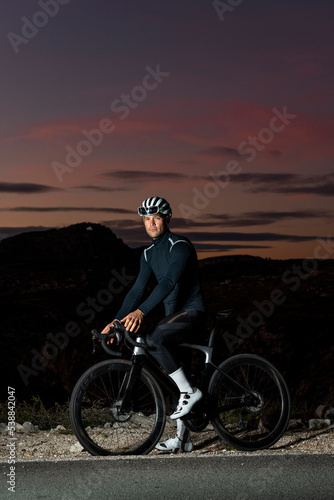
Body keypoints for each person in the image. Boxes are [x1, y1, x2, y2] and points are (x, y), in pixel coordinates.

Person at [101, 196, 206, 452]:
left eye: (156, 218)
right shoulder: (148, 254)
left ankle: (191, 394)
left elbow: (169, 281)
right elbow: (137, 290)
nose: (151, 223)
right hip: (172, 318)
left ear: (167, 218)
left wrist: (142, 312)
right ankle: (183, 439)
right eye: (146, 219)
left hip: (192, 313)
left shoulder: (179, 245)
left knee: (155, 339)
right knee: (173, 377)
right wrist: (116, 321)